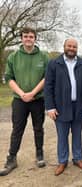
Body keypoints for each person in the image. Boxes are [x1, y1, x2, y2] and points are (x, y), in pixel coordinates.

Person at [0, 27, 49, 176]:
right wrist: (22, 94)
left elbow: (47, 78)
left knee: (38, 128)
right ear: (21, 38)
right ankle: (11, 159)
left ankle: (39, 154)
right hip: (19, 100)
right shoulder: (13, 56)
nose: (28, 39)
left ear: (35, 39)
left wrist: (33, 93)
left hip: (38, 99)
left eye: (31, 36)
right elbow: (9, 78)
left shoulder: (43, 56)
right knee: (17, 130)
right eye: (26, 36)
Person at [44, 38, 82, 176]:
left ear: (77, 48)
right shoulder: (54, 63)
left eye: (74, 46)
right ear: (64, 46)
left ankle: (77, 159)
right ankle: (62, 161)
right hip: (61, 107)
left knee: (77, 134)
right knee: (62, 136)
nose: (72, 48)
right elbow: (48, 86)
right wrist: (50, 107)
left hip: (79, 106)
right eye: (69, 46)